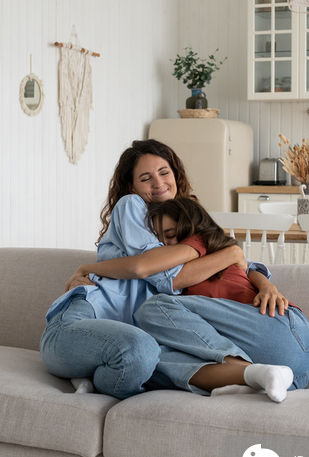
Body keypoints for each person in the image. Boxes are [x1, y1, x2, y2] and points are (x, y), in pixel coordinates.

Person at [40, 139, 260, 399]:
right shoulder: (133, 206)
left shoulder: (186, 220)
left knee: (150, 360)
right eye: (146, 178)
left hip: (131, 342)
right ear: (131, 186)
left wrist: (261, 279)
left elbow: (238, 264)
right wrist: (224, 253)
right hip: (84, 320)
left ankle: (90, 377)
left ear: (176, 175)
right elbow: (160, 273)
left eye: (164, 172)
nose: (158, 183)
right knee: (140, 352)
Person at [132, 197, 309, 403]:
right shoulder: (220, 263)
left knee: (154, 307)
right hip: (288, 376)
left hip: (279, 329)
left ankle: (245, 371)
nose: (166, 245)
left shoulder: (212, 252)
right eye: (160, 240)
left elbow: (244, 265)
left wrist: (267, 286)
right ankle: (251, 377)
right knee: (152, 363)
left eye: (172, 236)